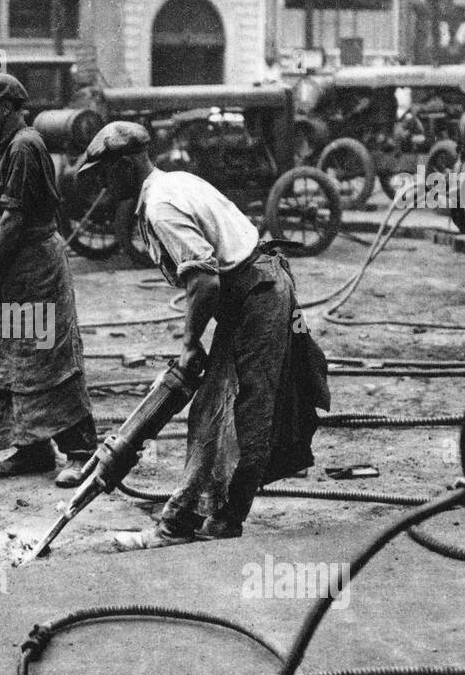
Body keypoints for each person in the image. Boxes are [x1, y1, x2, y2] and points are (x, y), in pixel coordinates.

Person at [77, 121, 330, 548]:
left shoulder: (161, 204)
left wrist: (191, 344)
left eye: (104, 172)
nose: (101, 184)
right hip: (254, 289)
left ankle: (207, 523)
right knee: (215, 408)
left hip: (257, 292)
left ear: (125, 165)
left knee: (244, 411)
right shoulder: (172, 183)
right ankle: (194, 520)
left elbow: (206, 281)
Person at [0, 72, 96, 486]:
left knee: (47, 357)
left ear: (4, 109)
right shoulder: (4, 146)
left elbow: (14, 219)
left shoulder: (24, 145)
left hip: (32, 267)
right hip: (11, 268)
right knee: (8, 359)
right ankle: (32, 449)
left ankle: (82, 452)